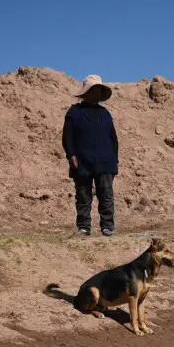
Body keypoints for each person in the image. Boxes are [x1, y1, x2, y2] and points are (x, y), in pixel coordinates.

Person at [62, 74, 119, 237]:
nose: (97, 93)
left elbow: (113, 138)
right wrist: (70, 154)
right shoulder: (74, 112)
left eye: (99, 90)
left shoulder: (106, 113)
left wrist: (115, 160)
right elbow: (67, 136)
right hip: (82, 161)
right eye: (94, 90)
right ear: (86, 92)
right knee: (83, 195)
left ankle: (107, 226)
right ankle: (84, 226)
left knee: (106, 194)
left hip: (105, 161)